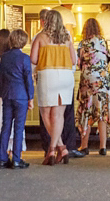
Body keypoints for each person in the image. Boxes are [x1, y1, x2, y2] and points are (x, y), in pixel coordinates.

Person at [30, 9, 78, 165]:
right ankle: (61, 148)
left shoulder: (40, 37)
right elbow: (73, 60)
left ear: (46, 21)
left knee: (46, 114)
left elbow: (34, 59)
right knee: (58, 115)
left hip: (47, 76)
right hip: (65, 77)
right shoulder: (67, 39)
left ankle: (53, 149)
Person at [0, 28, 33, 169]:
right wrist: (30, 97)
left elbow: (1, 77)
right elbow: (28, 79)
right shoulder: (25, 58)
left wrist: (3, 93)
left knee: (5, 126)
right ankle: (17, 159)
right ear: (24, 42)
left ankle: (2, 159)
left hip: (7, 95)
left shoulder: (4, 57)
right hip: (21, 96)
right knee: (18, 128)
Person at [76, 18, 110, 155]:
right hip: (103, 81)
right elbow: (107, 59)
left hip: (88, 81)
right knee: (102, 112)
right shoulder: (103, 42)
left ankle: (84, 146)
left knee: (86, 111)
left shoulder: (83, 44)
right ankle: (102, 147)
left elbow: (79, 63)